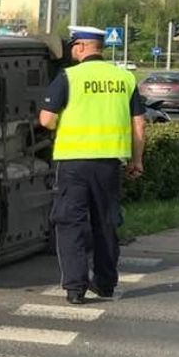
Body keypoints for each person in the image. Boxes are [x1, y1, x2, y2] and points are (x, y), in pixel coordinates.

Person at [39, 25, 146, 304]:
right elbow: (139, 125)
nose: (72, 50)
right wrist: (136, 160)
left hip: (73, 163)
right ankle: (106, 284)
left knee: (70, 223)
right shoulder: (124, 78)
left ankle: (75, 289)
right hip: (109, 164)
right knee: (106, 223)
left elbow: (46, 120)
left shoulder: (69, 77)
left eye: (74, 45)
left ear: (82, 46)